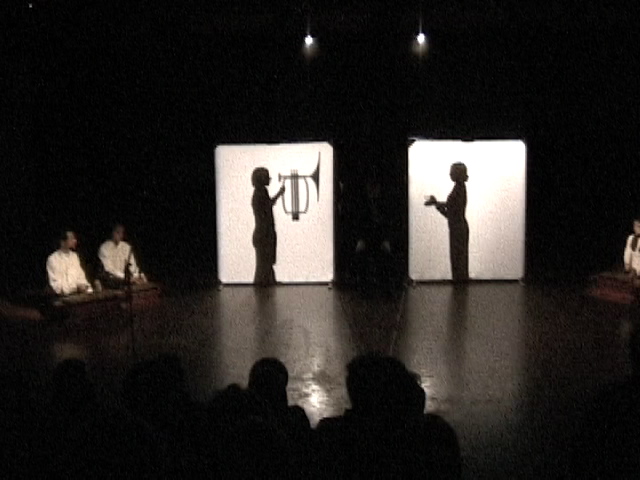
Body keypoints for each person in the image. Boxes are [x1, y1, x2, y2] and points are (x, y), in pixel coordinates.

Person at [426, 162, 470, 282]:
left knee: (458, 261)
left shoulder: (458, 190)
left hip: (458, 229)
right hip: (458, 227)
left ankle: (460, 288)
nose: (450, 174)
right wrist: (437, 204)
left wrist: (436, 205)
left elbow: (450, 212)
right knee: (459, 261)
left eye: (452, 172)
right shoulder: (460, 188)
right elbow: (451, 208)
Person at [251, 168, 285, 286]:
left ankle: (270, 281)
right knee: (264, 263)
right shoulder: (260, 193)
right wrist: (280, 193)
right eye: (266, 177)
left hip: (264, 233)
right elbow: (268, 205)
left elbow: (268, 204)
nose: (269, 179)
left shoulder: (261, 192)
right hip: (263, 234)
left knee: (266, 262)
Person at [98, 224, 146, 288]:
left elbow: (133, 266)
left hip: (128, 280)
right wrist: (126, 278)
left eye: (122, 233)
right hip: (114, 280)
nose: (120, 235)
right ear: (112, 233)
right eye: (118, 232)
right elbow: (109, 269)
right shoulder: (104, 248)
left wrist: (136, 276)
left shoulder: (126, 247)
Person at [46, 230, 93, 296]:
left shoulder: (74, 256)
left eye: (74, 238)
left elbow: (80, 276)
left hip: (76, 295)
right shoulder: (53, 259)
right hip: (60, 297)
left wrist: (84, 286)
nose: (75, 241)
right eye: (71, 238)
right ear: (63, 242)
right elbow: (55, 285)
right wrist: (74, 288)